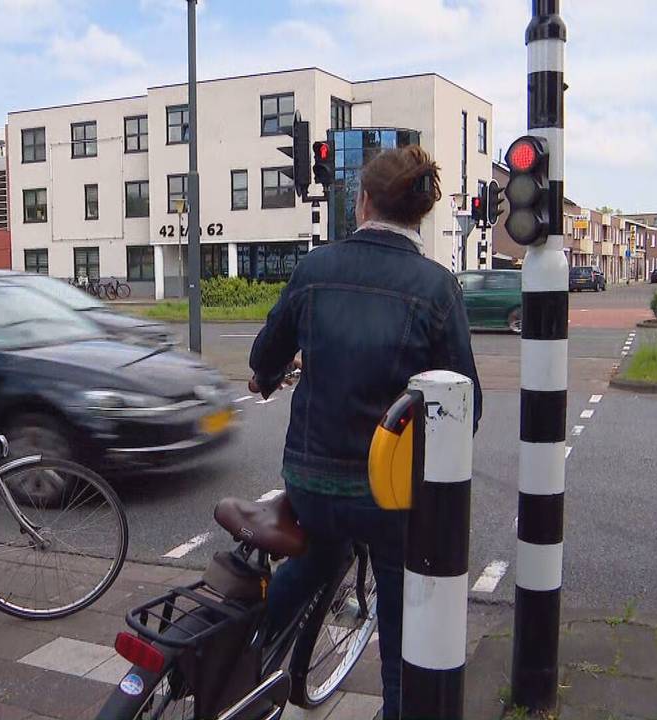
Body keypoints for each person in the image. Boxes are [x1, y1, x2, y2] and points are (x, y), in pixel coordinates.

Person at [249, 146, 482, 719]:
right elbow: (465, 405)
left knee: (317, 552)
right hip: (389, 497)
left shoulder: (315, 269)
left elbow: (264, 357)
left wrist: (270, 374)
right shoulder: (436, 287)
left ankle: (241, 651)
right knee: (402, 627)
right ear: (420, 213)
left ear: (363, 202)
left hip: (311, 480)